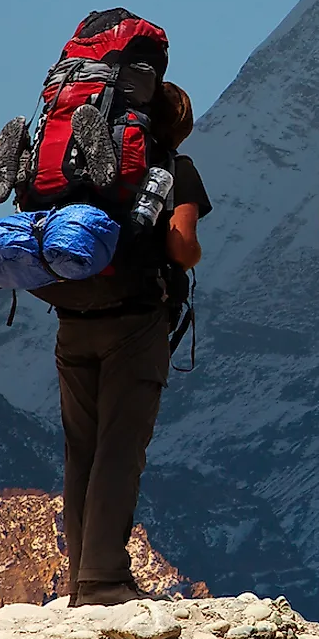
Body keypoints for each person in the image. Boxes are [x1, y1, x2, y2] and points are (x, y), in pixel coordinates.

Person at [54, 81, 211, 606]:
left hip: (74, 317)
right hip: (135, 324)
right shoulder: (175, 170)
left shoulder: (89, 169)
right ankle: (104, 581)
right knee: (119, 450)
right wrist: (191, 256)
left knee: (83, 450)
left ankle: (81, 577)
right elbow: (181, 246)